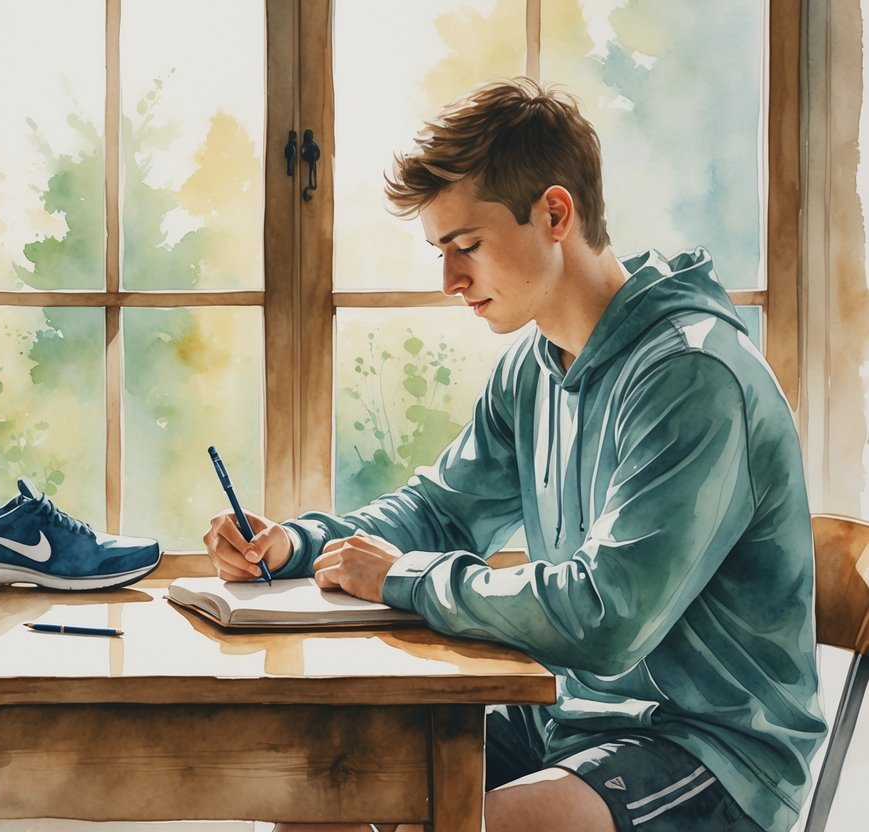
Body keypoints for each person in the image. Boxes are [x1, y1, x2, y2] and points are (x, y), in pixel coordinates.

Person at [202, 77, 825, 832]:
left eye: (466, 246)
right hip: (573, 718)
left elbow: (606, 617)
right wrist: (300, 543)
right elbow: (441, 509)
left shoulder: (692, 376)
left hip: (709, 747)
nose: (449, 280)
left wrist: (403, 577)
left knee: (473, 827)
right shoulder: (533, 368)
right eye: (440, 250)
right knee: (324, 786)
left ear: (554, 213)